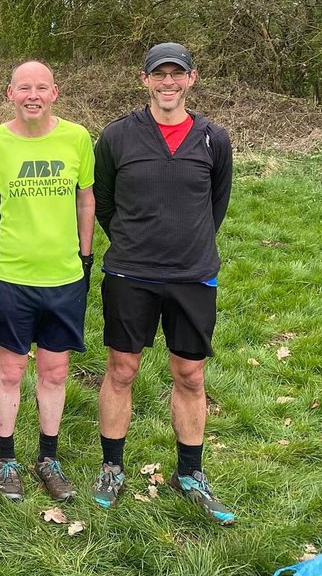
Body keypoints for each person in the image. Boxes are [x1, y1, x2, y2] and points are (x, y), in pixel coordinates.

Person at [91, 42, 235, 525]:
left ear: (192, 79)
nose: (168, 83)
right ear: (145, 79)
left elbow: (216, 205)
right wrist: (135, 243)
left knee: (190, 375)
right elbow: (104, 203)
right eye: (160, 75)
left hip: (193, 275)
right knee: (121, 369)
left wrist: (187, 245)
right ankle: (112, 466)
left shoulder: (214, 139)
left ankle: (190, 473)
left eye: (178, 74)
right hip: (131, 272)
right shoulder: (116, 137)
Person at [0, 61, 95, 503]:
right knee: (10, 370)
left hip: (63, 278)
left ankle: (48, 459)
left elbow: (86, 197)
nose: (33, 95)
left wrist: (86, 257)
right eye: (24, 88)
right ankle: (6, 460)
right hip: (11, 278)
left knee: (54, 372)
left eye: (41, 87)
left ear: (55, 92)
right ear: (10, 94)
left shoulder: (77, 138)